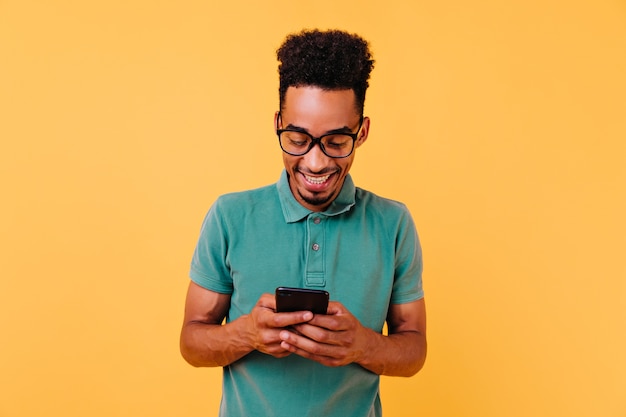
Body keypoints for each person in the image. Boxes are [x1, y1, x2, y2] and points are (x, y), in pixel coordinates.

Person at [180, 29, 427, 417]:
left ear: (361, 132)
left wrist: (363, 344)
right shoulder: (229, 216)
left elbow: (414, 350)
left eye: (336, 141)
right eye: (297, 138)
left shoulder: (393, 224)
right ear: (278, 123)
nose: (315, 163)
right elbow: (191, 343)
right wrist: (245, 333)